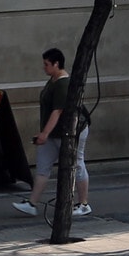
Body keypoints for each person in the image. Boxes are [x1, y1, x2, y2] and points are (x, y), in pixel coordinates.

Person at [13, 48, 90, 217]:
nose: (44, 67)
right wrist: (45, 134)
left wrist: (44, 134)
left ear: (56, 64)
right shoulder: (53, 80)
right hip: (55, 133)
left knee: (77, 163)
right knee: (43, 166)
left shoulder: (63, 83)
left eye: (46, 64)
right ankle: (32, 203)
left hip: (70, 132)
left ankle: (83, 204)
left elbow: (58, 111)